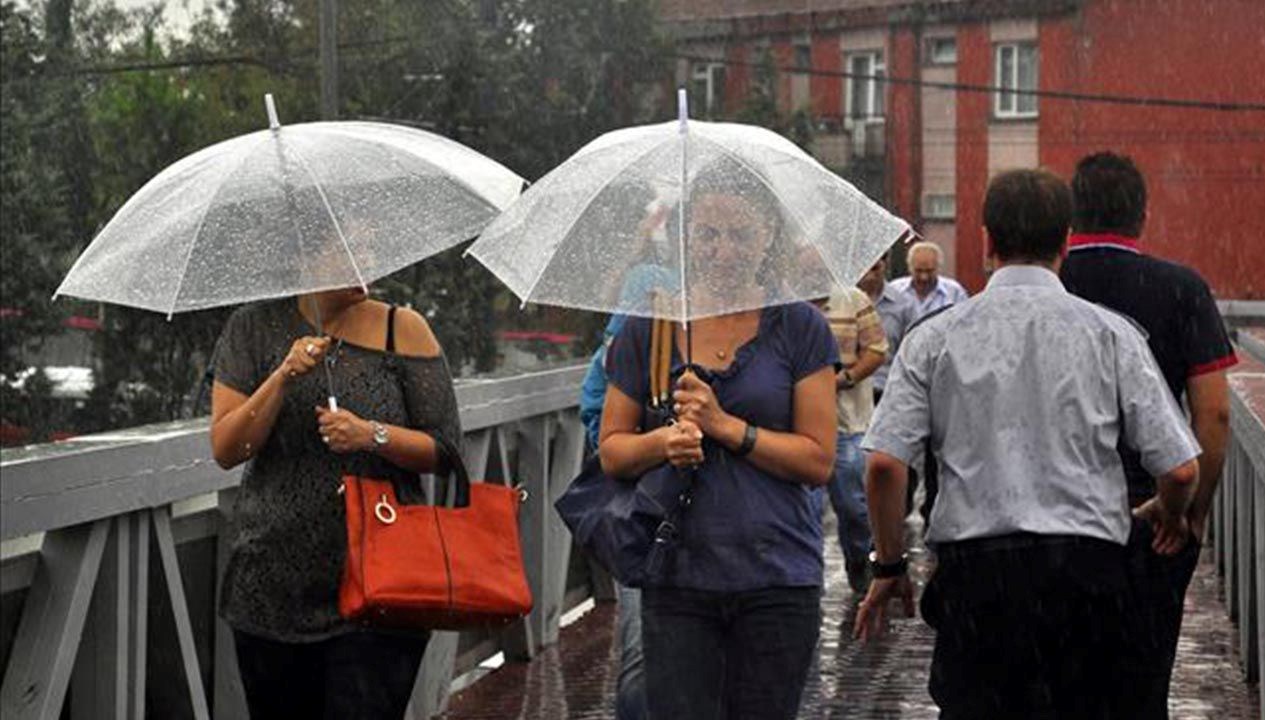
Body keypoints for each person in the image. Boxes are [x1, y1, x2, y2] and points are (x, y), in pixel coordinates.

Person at [854, 169, 1201, 719]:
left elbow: (883, 466)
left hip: (978, 585)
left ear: (988, 240)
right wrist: (1171, 512)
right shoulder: (1113, 334)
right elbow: (1180, 469)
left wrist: (890, 566)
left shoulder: (934, 338)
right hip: (1088, 576)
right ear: (1066, 240)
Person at [600, 159, 840, 720]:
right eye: (707, 234)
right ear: (685, 237)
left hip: (778, 573)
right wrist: (663, 444)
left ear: (768, 238)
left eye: (740, 235)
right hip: (678, 572)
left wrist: (727, 428)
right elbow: (612, 450)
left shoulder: (800, 327)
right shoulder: (652, 326)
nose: (722, 250)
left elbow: (818, 459)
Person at [209, 286, 461, 719]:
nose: (361, 258)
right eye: (345, 246)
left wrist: (371, 435)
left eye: (365, 243)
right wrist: (283, 376)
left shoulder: (402, 329)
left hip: (380, 586)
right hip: (271, 586)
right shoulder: (251, 327)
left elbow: (445, 450)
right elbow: (228, 449)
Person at [1060, 151, 1237, 718]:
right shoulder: (1181, 289)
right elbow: (1214, 416)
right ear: (1143, 215)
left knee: (1058, 688)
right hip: (1151, 518)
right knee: (1140, 689)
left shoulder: (1043, 287)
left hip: (1053, 520)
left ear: (1072, 216)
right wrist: (1189, 510)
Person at [820, 286, 888, 592]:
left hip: (848, 423)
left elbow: (877, 349)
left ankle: (860, 562)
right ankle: (807, 581)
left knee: (853, 506)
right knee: (805, 510)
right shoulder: (782, 298)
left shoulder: (853, 299)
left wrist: (844, 379)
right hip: (796, 424)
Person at [856, 253, 915, 405]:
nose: (869, 274)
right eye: (864, 268)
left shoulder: (904, 305)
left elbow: (910, 352)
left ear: (885, 264)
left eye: (875, 268)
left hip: (887, 391)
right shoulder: (842, 302)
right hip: (849, 390)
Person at [891, 241, 969, 320]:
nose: (924, 277)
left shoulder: (954, 292)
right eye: (918, 271)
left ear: (939, 267)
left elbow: (964, 322)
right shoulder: (895, 290)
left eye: (929, 271)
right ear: (909, 267)